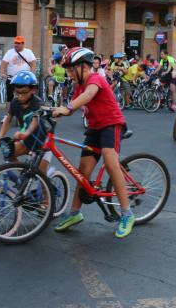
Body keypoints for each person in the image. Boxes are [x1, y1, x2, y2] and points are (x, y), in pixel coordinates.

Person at [52, 47, 135, 238]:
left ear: (83, 67)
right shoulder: (77, 86)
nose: (69, 73)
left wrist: (68, 107)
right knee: (83, 171)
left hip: (111, 124)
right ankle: (74, 213)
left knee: (110, 162)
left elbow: (88, 96)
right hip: (95, 128)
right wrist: (51, 113)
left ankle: (127, 214)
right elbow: (70, 108)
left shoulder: (95, 78)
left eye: (72, 69)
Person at [0, 70, 50, 173]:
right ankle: (24, 176)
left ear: (33, 90)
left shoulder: (38, 103)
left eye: (24, 93)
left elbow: (35, 121)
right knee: (9, 153)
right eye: (17, 93)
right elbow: (8, 120)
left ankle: (47, 186)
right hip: (27, 142)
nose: (20, 96)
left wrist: (25, 133)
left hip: (42, 144)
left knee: (42, 178)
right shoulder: (15, 103)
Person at [1, 36, 37, 116]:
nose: (16, 45)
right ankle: (7, 116)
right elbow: (4, 62)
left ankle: (26, 114)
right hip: (11, 78)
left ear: (23, 44)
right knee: (9, 97)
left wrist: (32, 74)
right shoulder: (10, 52)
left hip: (24, 80)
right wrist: (2, 72)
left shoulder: (28, 52)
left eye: (18, 43)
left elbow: (33, 63)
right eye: (15, 43)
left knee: (25, 97)